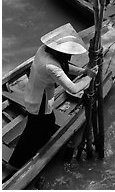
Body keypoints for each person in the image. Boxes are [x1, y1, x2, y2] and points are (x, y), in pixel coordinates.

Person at [8, 23, 98, 170]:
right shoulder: (50, 65)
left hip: (35, 93)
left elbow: (64, 67)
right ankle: (14, 164)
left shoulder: (43, 50)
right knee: (30, 133)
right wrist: (89, 77)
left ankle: (42, 145)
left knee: (49, 122)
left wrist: (84, 71)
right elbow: (73, 88)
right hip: (39, 102)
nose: (69, 56)